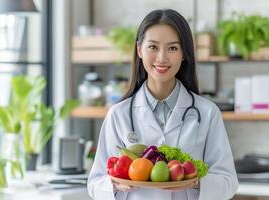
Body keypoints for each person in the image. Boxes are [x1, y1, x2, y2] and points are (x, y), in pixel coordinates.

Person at [87, 9, 238, 200]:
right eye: (153, 47)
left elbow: (228, 182)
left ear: (184, 54)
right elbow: (95, 184)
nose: (162, 58)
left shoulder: (207, 113)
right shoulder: (119, 114)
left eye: (173, 48)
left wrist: (196, 182)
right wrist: (115, 185)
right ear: (140, 50)